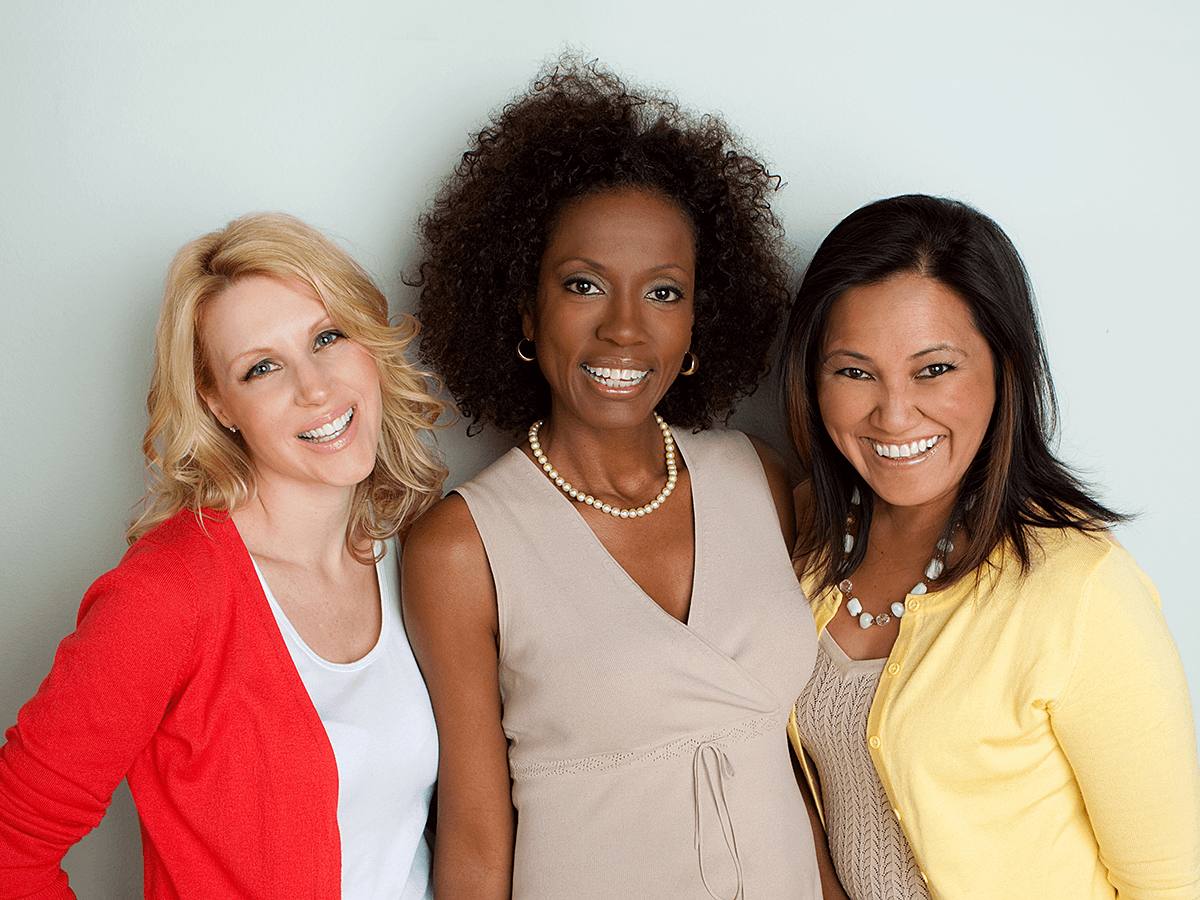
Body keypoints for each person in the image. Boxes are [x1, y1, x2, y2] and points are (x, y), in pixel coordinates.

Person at [403, 60, 822, 899]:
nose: (625, 327)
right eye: (584, 285)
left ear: (700, 318)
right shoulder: (464, 546)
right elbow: (478, 839)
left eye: (663, 292)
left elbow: (790, 760)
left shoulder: (758, 480)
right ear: (525, 309)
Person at [0, 212, 447, 899]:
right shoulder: (167, 595)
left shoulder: (411, 548)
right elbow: (12, 841)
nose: (315, 387)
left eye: (328, 337)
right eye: (262, 368)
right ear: (218, 404)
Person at [781, 193, 1200, 900]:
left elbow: (1167, 884)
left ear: (1004, 367)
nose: (893, 414)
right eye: (854, 371)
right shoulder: (801, 541)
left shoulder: (1081, 587)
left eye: (934, 369)